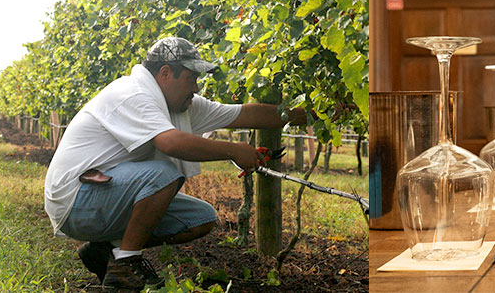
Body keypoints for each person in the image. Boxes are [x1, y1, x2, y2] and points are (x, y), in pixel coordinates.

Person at [42, 37, 304, 290]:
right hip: (76, 202)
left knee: (200, 218)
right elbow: (171, 143)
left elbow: (244, 114)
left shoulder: (179, 105)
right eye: (192, 79)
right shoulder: (133, 94)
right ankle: (126, 265)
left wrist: (311, 114)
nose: (197, 88)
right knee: (162, 174)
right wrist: (232, 150)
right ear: (165, 73)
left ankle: (104, 250)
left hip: (102, 197)